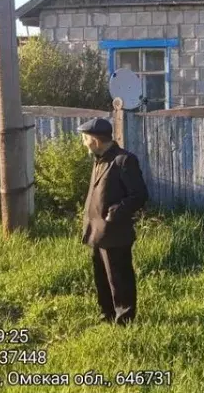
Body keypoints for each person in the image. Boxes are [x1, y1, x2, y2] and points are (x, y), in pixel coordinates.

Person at [76, 118, 148, 325]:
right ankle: (106, 313)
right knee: (102, 277)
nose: (84, 143)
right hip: (97, 231)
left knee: (119, 278)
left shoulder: (124, 160)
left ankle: (124, 319)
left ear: (95, 140)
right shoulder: (99, 159)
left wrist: (117, 211)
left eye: (85, 138)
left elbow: (139, 195)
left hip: (114, 232)